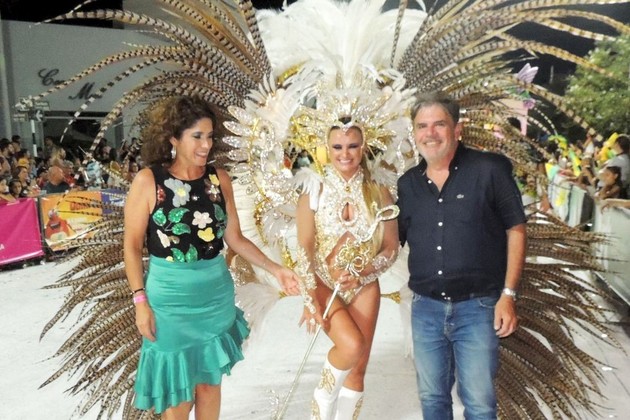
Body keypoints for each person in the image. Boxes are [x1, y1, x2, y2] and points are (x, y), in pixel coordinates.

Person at [123, 95, 300, 419]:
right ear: (173, 138)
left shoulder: (218, 180)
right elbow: (132, 247)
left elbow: (235, 238)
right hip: (170, 302)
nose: (206, 145)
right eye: (197, 136)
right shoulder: (149, 181)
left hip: (214, 297)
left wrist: (276, 269)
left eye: (209, 136)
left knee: (208, 384)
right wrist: (139, 302)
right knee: (177, 396)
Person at [397, 91, 527, 419]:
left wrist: (508, 295)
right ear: (414, 133)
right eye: (422, 126)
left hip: (478, 308)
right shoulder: (407, 185)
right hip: (425, 310)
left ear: (457, 129)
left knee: (479, 404)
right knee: (432, 400)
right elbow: (390, 243)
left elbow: (516, 229)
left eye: (439, 124)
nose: (430, 133)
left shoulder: (489, 170)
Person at [295, 118, 399, 420]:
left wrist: (364, 272)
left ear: (363, 147)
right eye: (337, 146)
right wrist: (308, 295)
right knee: (351, 346)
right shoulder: (314, 189)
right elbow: (305, 247)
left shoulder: (379, 190)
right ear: (327, 148)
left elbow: (390, 247)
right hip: (323, 283)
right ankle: (323, 400)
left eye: (352, 146)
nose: (345, 154)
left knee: (357, 369)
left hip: (364, 284)